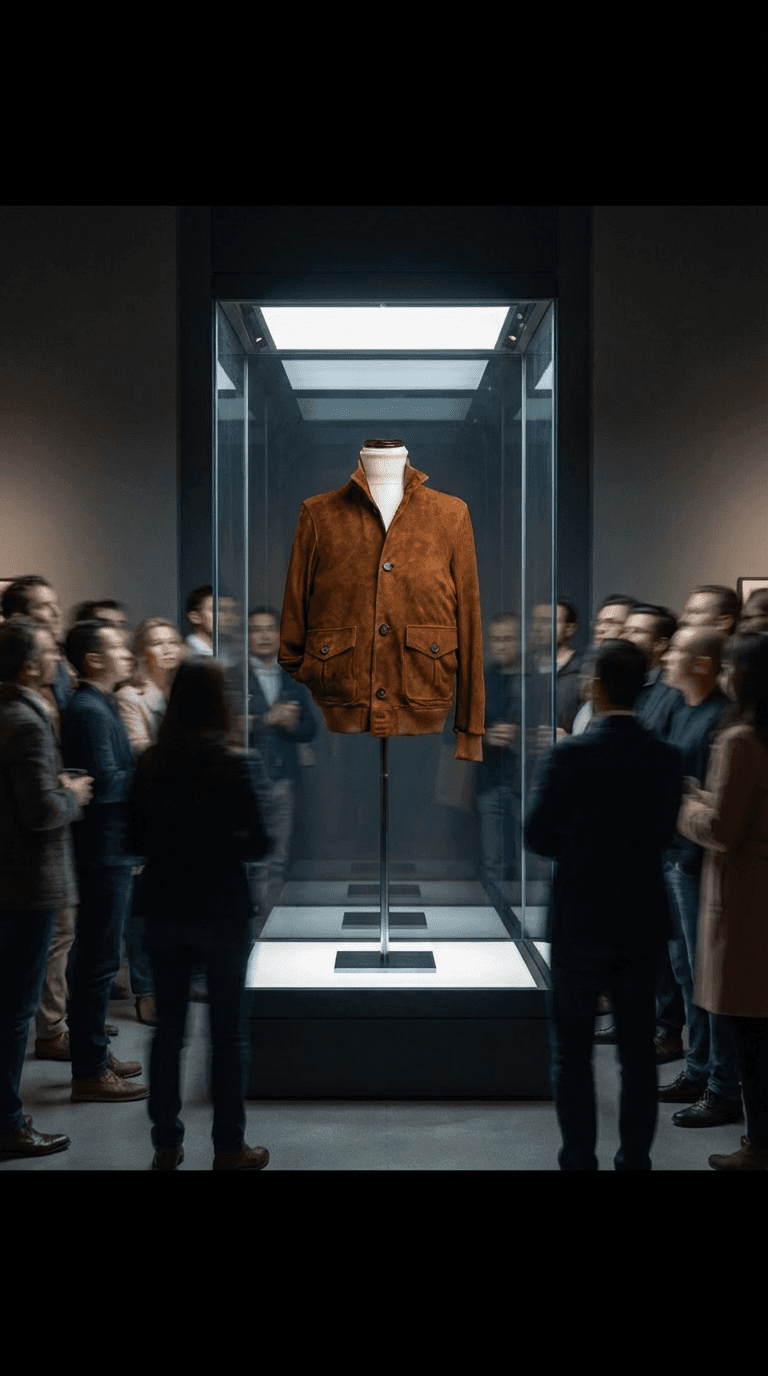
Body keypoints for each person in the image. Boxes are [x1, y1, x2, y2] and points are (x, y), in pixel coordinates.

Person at [524, 640, 683, 1170]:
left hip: (579, 916)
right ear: (644, 687)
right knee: (637, 1053)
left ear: (594, 685)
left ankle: (578, 1158)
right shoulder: (664, 757)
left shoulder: (570, 754)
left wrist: (582, 846)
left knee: (572, 1051)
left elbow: (538, 836)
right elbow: (665, 835)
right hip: (640, 915)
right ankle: (635, 1159)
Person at [126, 658, 272, 1170]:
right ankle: (229, 1146)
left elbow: (134, 840)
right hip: (222, 909)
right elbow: (258, 842)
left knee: (168, 1033)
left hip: (166, 908)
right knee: (227, 1034)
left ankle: (166, 1144)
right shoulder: (235, 762)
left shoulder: (150, 762)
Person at [0, 619, 93, 1160]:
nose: (58, 657)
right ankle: (7, 1122)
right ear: (31, 665)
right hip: (27, 884)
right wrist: (73, 794)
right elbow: (39, 812)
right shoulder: (25, 721)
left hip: (11, 880)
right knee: (15, 1009)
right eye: (49, 651)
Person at [677, 633, 768, 1169]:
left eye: (732, 669)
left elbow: (722, 829)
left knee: (750, 1032)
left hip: (743, 898)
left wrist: (685, 804)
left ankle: (758, 1146)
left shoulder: (740, 740)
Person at [60, 620, 148, 1103]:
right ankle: (90, 1068)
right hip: (103, 851)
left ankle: (92, 1054)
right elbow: (104, 783)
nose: (127, 651)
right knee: (97, 960)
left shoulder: (97, 703)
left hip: (109, 849)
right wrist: (148, 771)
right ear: (94, 659)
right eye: (116, 645)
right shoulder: (90, 709)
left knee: (98, 956)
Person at [656, 626, 740, 1127]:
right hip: (674, 859)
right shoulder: (680, 707)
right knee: (687, 974)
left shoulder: (717, 719)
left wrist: (685, 860)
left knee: (706, 981)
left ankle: (718, 1084)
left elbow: (710, 806)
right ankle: (699, 1067)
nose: (666, 657)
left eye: (678, 651)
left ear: (704, 664)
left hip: (692, 865)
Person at [115, 618, 187, 1025]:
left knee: (175, 903)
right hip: (148, 806)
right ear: (143, 650)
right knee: (141, 908)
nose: (167, 650)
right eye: (157, 643)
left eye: (172, 642)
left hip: (181, 809)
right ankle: (145, 989)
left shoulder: (184, 691)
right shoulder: (131, 695)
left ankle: (173, 979)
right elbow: (139, 751)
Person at [246, 607, 317, 921]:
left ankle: (267, 927)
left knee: (277, 859)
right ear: (247, 636)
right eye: (256, 630)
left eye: (269, 629)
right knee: (249, 858)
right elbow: (224, 729)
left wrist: (291, 725)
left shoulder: (292, 678)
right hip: (244, 781)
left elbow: (310, 729)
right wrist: (265, 720)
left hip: (282, 779)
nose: (263, 636)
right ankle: (247, 927)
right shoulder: (235, 675)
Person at [477, 614, 523, 918]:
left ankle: (522, 923)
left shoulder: (533, 678)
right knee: (493, 859)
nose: (502, 646)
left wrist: (519, 735)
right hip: (490, 779)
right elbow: (456, 730)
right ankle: (497, 923)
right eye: (496, 640)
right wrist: (485, 736)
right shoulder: (483, 679)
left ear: (520, 641)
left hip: (525, 780)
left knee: (525, 859)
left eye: (508, 639)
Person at [571, 594, 638, 735]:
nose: (600, 629)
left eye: (611, 622)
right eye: (599, 622)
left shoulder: (633, 688)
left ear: (631, 627)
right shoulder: (590, 674)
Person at [621, 604, 682, 738]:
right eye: (625, 631)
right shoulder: (623, 682)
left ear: (660, 644)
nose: (625, 638)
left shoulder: (674, 691)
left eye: (637, 631)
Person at [185, 584, 214, 656]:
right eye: (214, 610)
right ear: (195, 617)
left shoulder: (227, 651)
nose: (223, 615)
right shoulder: (186, 655)